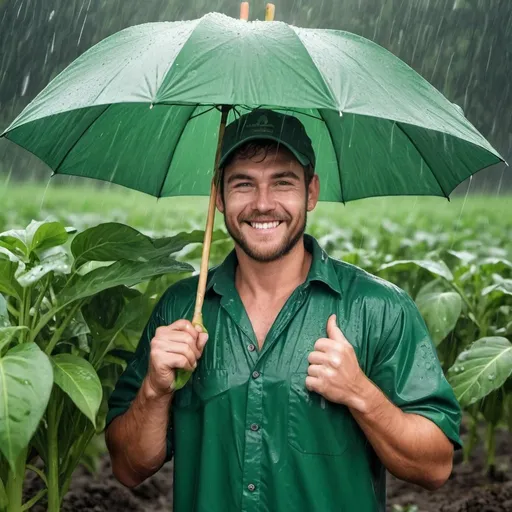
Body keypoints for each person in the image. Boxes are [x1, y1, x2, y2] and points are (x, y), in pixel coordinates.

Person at [105, 108, 462, 512]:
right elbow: (128, 467)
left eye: (282, 182)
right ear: (218, 196)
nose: (262, 203)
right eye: (243, 183)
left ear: (311, 191)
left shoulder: (378, 308)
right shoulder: (181, 309)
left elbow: (434, 467)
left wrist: (360, 394)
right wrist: (154, 389)